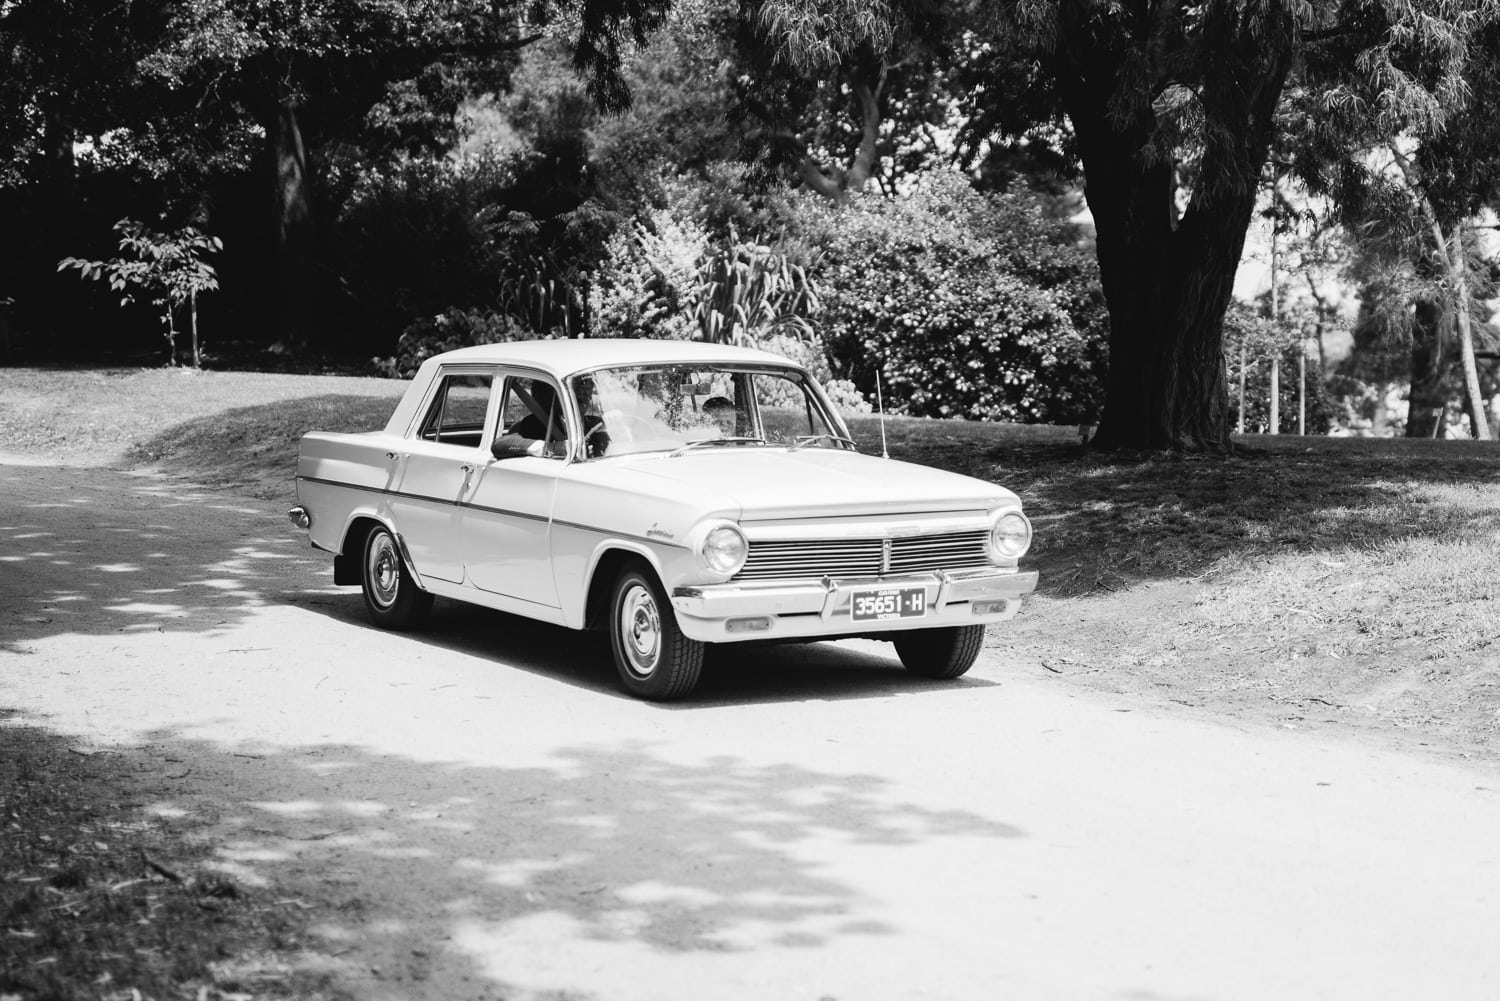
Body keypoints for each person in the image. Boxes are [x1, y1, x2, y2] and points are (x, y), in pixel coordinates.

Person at [493, 381, 565, 458]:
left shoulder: (575, 422)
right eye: (544, 392)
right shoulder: (532, 423)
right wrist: (549, 448)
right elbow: (500, 445)